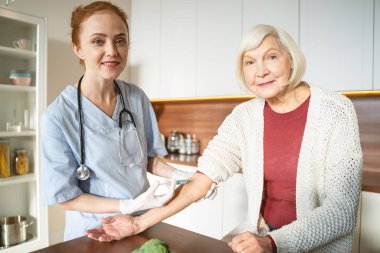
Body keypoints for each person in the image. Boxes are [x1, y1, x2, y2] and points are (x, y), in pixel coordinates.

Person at [84, 24, 363, 252]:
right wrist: (137, 224)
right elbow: (200, 182)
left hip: (309, 246)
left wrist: (273, 243)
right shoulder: (245, 117)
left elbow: (341, 212)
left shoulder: (334, 110)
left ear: (291, 59)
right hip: (260, 236)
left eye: (271, 57)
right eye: (250, 62)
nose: (261, 70)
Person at [41, 1, 192, 241]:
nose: (112, 50)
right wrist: (125, 206)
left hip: (140, 224)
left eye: (120, 40)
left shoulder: (135, 97)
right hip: (93, 233)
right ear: (78, 48)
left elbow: (149, 159)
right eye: (98, 41)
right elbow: (66, 198)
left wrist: (183, 175)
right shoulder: (58, 116)